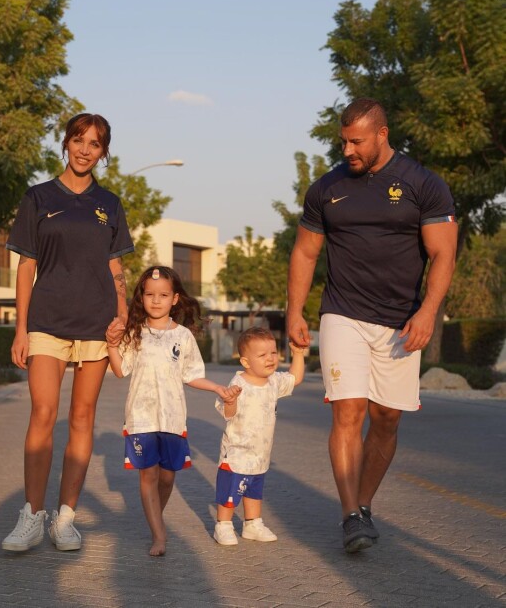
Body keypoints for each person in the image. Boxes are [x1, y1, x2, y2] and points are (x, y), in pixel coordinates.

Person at [287, 98, 457, 553]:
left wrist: (428, 312)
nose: (348, 150)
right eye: (343, 141)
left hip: (402, 322)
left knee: (386, 419)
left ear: (382, 134)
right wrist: (294, 311)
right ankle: (349, 516)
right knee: (349, 412)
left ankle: (362, 506)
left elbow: (443, 253)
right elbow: (305, 252)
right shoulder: (326, 189)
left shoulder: (424, 184)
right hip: (343, 314)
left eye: (356, 141)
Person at [2, 113, 134, 553]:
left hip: (96, 325)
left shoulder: (110, 204)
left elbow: (116, 266)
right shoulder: (38, 198)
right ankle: (31, 516)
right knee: (43, 412)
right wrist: (21, 329)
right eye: (78, 140)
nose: (84, 149)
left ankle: (66, 518)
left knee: (82, 418)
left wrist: (122, 314)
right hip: (47, 322)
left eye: (94, 144)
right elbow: (26, 266)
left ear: (104, 152)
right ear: (65, 143)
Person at [106, 265, 242, 556]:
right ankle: (159, 533)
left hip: (172, 419)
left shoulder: (183, 336)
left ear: (175, 299)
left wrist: (217, 388)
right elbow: (120, 371)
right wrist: (112, 346)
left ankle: (154, 516)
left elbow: (191, 375)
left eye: (163, 295)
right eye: (150, 294)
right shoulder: (134, 333)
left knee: (167, 477)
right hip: (141, 419)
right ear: (141, 297)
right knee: (148, 476)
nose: (156, 300)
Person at [213, 327, 305, 546]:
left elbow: (295, 378)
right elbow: (228, 414)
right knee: (230, 491)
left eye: (273, 353)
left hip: (260, 452)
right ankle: (223, 525)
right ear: (246, 362)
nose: (270, 359)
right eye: (262, 355)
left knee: (254, 489)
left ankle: (252, 523)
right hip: (236, 453)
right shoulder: (238, 384)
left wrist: (299, 354)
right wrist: (230, 401)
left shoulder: (273, 381)